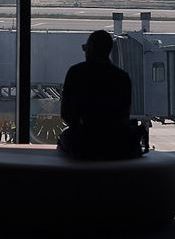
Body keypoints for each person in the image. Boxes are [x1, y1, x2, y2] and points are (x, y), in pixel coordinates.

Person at [58, 30, 141, 160]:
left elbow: (66, 114)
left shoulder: (75, 73)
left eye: (85, 48)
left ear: (91, 48)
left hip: (83, 142)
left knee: (64, 138)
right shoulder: (122, 77)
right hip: (116, 142)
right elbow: (124, 115)